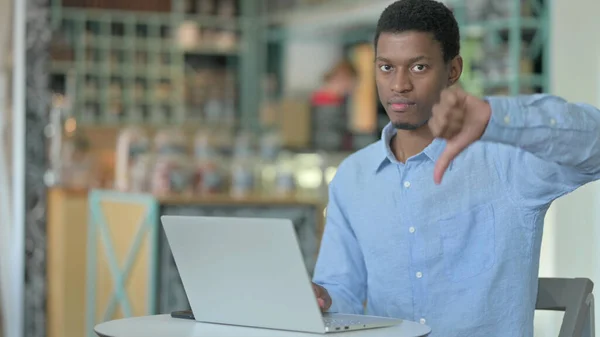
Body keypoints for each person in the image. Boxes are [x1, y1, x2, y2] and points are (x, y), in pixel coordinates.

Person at [310, 1, 600, 337]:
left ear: (453, 70)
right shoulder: (352, 177)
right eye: (386, 67)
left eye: (418, 67)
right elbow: (342, 292)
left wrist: (498, 117)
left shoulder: (505, 161)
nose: (399, 84)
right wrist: (322, 299)